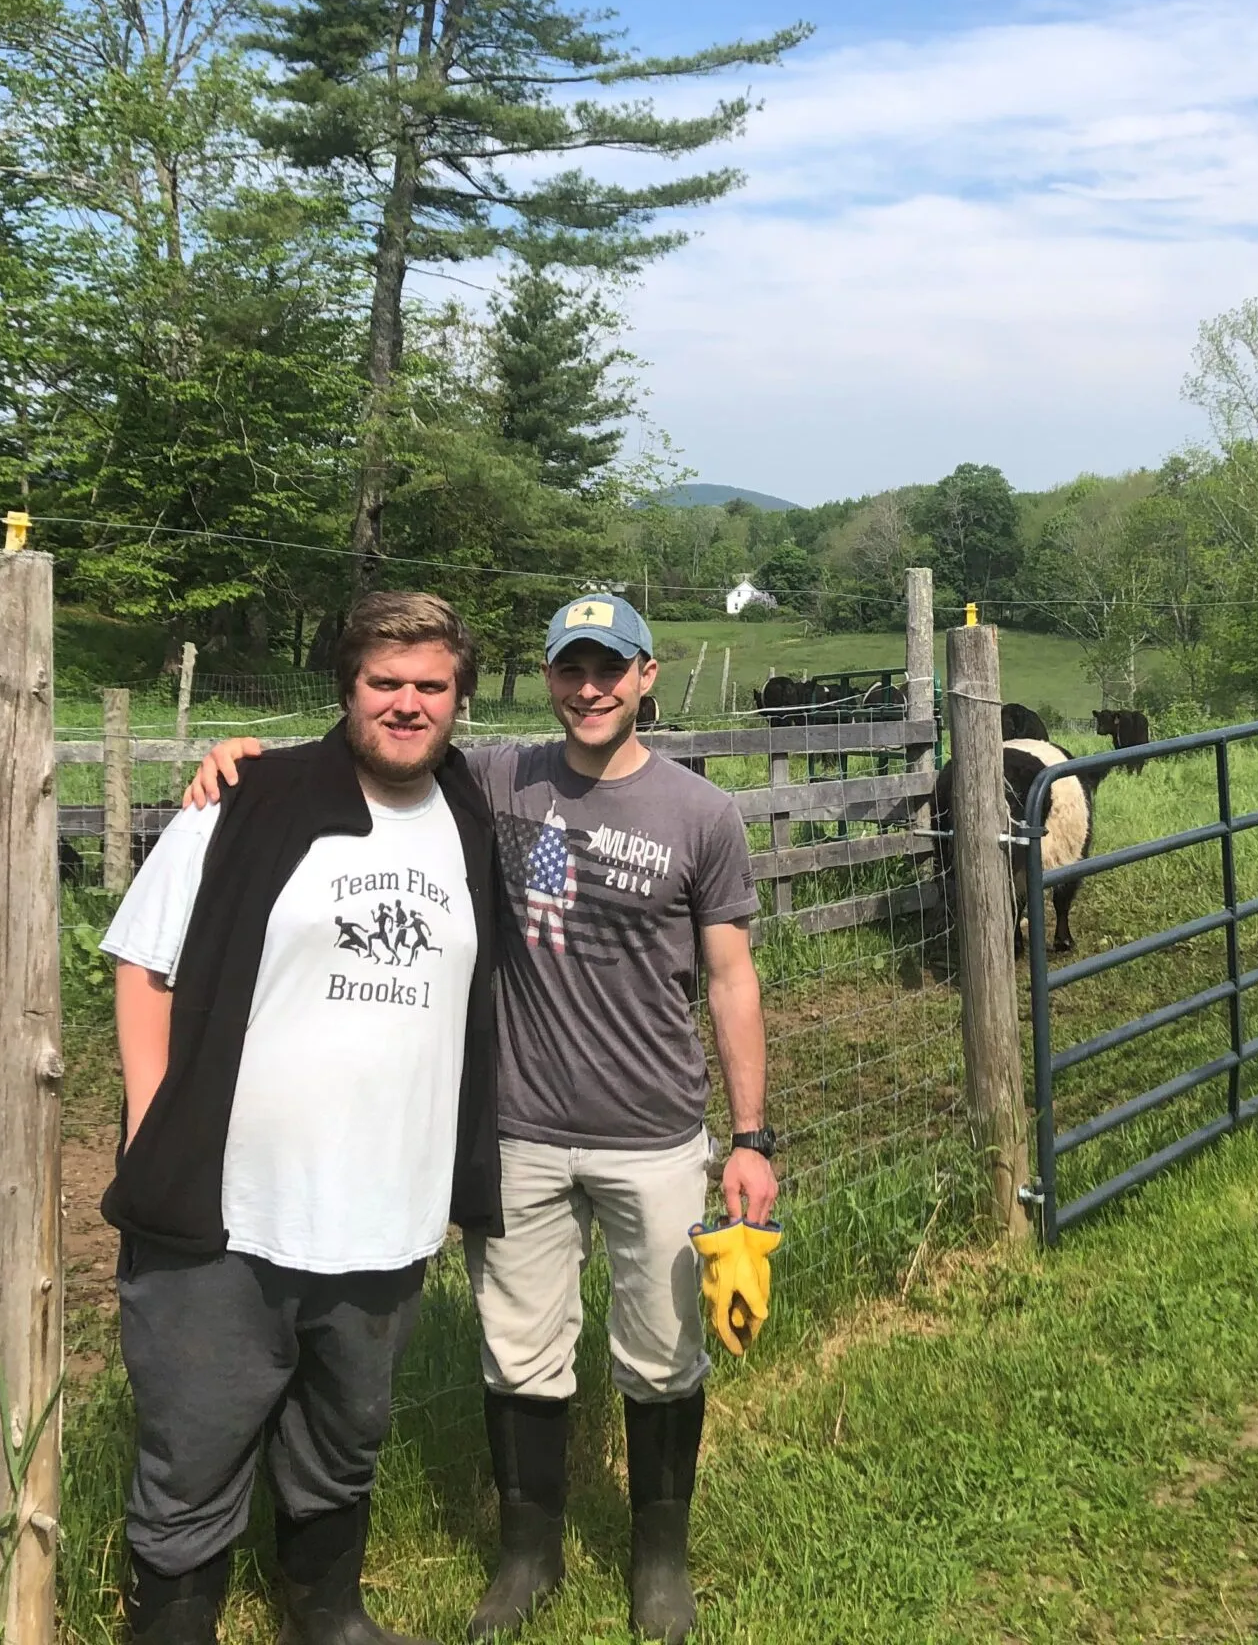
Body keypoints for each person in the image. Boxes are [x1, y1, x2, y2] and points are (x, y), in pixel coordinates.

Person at [187, 592, 775, 1643]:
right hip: (520, 1131)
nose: (589, 689)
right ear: (547, 680)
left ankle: (658, 1558)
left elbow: (731, 981)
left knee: (661, 1349)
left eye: (611, 669)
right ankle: (527, 1554)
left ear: (648, 677)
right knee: (521, 1349)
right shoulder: (500, 777)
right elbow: (382, 740)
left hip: (653, 1131)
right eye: (570, 670)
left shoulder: (700, 814)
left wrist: (751, 1137)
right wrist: (247, 757)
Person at [100, 592, 505, 1645]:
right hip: (231, 1207)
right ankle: (174, 1628)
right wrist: (153, 1121)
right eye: (385, 683)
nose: (408, 705)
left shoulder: (468, 817)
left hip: (387, 1204)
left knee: (347, 1430)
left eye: (431, 685)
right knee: (194, 1438)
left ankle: (325, 1615)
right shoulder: (249, 799)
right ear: (347, 689)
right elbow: (143, 965)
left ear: (460, 699)